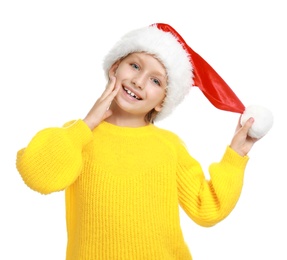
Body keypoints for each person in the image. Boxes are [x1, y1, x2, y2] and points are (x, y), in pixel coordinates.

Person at [16, 23, 260, 260]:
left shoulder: (169, 146)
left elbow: (207, 209)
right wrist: (88, 123)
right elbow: (37, 175)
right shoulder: (77, 136)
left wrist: (235, 157)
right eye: (134, 65)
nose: (139, 81)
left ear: (162, 101)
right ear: (114, 68)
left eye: (156, 81)